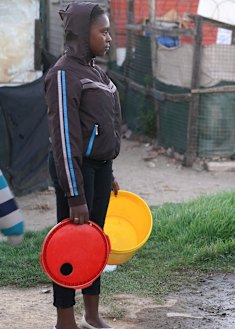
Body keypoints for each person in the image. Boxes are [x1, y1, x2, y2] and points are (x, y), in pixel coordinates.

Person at [45, 2, 121, 329]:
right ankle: (65, 319)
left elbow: (102, 127)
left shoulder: (97, 72)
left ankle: (91, 314)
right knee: (69, 245)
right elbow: (64, 139)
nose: (109, 38)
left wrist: (110, 171)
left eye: (109, 31)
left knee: (96, 242)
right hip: (75, 171)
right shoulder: (63, 74)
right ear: (80, 34)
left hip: (100, 169)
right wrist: (75, 194)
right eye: (102, 32)